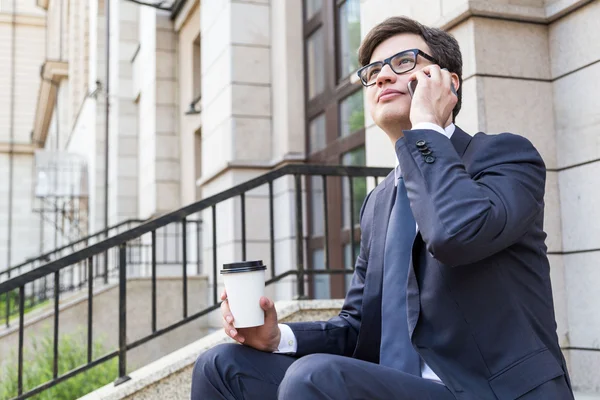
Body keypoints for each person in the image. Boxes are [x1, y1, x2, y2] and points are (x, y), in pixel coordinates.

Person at [191, 16, 574, 400]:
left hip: (490, 391)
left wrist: (426, 127)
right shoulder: (379, 201)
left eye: (404, 62)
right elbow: (358, 325)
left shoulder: (504, 156)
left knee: (313, 378)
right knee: (220, 365)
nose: (383, 77)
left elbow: (457, 234)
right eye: (373, 71)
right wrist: (278, 336)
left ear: (448, 82)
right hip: (398, 387)